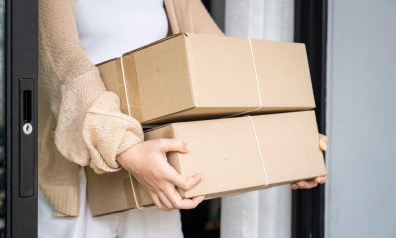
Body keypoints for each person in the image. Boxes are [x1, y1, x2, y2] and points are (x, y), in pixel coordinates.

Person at [37, 0, 328, 237]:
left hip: (156, 171)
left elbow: (220, 62)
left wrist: (286, 140)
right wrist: (127, 148)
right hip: (80, 174)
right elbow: (64, 68)